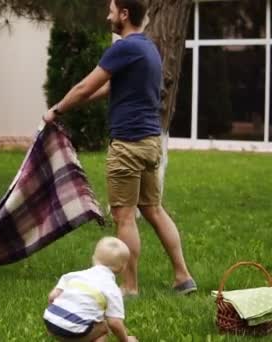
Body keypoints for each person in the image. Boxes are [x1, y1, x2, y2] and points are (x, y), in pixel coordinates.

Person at [43, 0, 195, 296]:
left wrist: (57, 110)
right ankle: (182, 276)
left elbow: (85, 86)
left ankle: (129, 287)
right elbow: (110, 88)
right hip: (150, 143)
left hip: (128, 144)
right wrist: (79, 103)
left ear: (124, 14)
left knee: (124, 217)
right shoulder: (148, 48)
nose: (107, 15)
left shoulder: (123, 48)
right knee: (153, 210)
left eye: (112, 10)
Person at [43, 237, 137, 342]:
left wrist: (59, 320)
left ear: (93, 258)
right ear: (122, 268)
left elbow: (52, 297)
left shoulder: (74, 275)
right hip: (74, 332)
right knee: (105, 326)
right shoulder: (112, 289)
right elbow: (114, 323)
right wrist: (126, 340)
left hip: (50, 323)